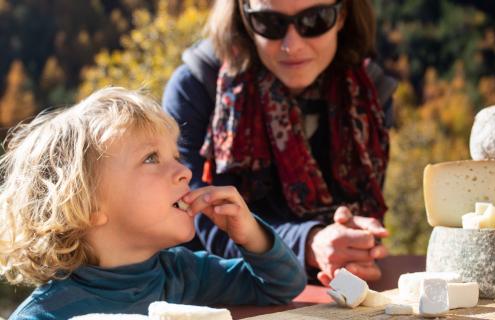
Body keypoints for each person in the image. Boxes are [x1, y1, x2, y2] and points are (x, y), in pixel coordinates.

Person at [0, 87, 306, 320]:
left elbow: (280, 287)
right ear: (85, 203)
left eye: (176, 157)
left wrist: (250, 234)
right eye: (151, 158)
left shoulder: (184, 273)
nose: (185, 172)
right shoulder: (46, 314)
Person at [163, 0, 398, 286]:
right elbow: (197, 218)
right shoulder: (197, 88)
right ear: (244, 18)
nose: (292, 45)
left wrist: (356, 243)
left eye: (315, 20)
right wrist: (308, 243)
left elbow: (365, 207)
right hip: (220, 293)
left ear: (342, 15)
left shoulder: (368, 97)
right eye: (270, 23)